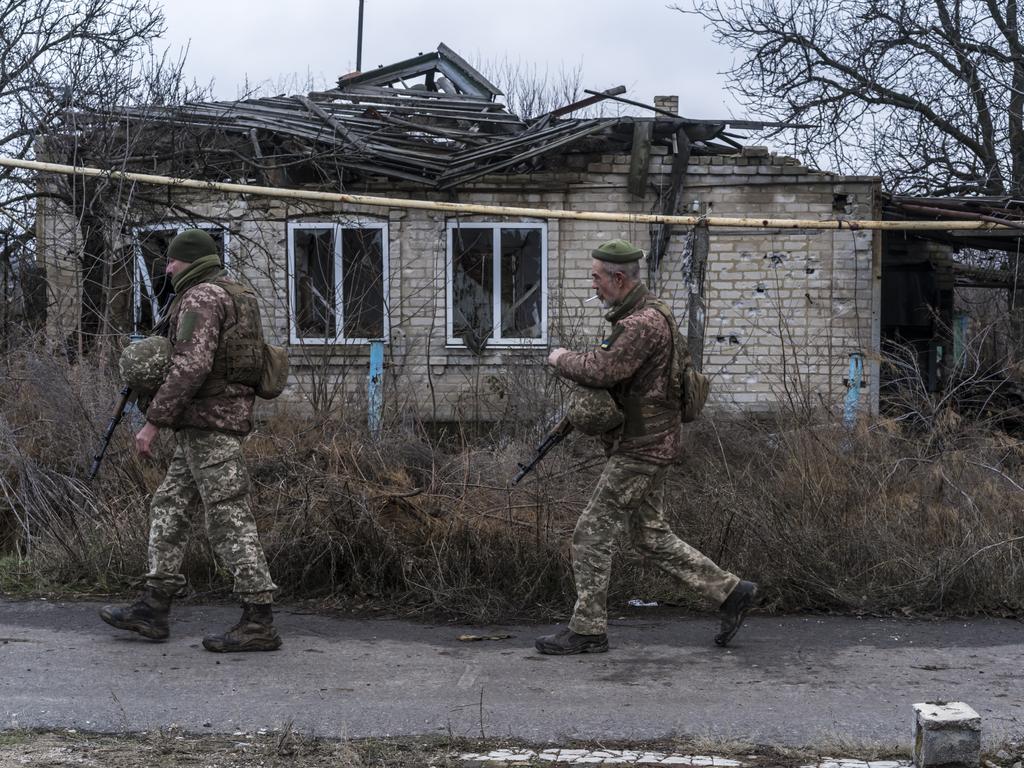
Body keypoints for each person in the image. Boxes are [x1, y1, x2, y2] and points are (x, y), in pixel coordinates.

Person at [534, 238, 758, 655]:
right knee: (649, 536)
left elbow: (603, 370)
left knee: (590, 534)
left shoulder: (641, 324)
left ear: (619, 278)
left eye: (598, 278)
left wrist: (560, 357)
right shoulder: (649, 315)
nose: (594, 285)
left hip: (642, 447)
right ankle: (731, 593)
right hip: (652, 442)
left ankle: (588, 630)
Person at [100, 228, 282, 653]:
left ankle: (259, 619)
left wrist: (152, 423)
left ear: (192, 261)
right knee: (171, 505)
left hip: (209, 423)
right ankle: (153, 605)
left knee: (228, 516)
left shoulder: (202, 297)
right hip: (208, 422)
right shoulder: (238, 293)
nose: (167, 267)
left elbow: (190, 367)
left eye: (173, 260)